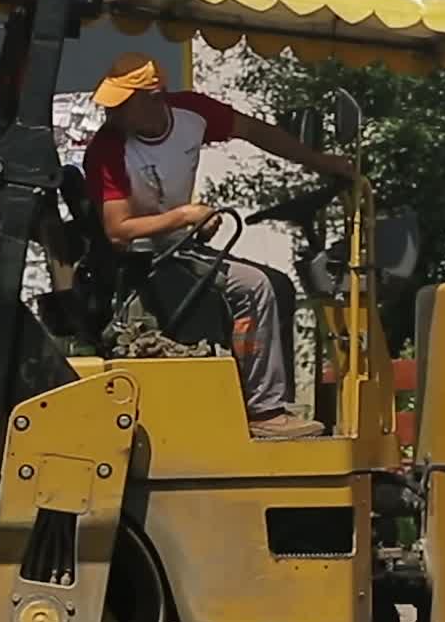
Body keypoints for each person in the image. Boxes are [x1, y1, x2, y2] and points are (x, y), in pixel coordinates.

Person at [83, 51, 354, 440]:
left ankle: (266, 399)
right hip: (143, 262)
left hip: (180, 248)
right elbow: (118, 231)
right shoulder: (108, 150)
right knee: (254, 287)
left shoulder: (192, 114)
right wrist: (187, 217)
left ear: (153, 97)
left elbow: (258, 132)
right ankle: (264, 412)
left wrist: (320, 162)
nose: (111, 114)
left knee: (277, 284)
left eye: (120, 105)